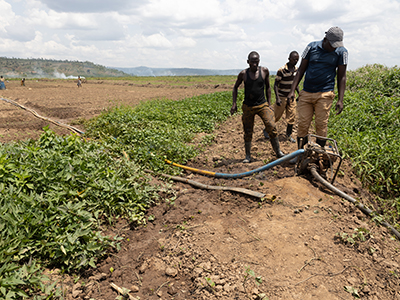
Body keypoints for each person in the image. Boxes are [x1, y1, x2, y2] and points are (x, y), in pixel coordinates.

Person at [287, 26, 348, 161]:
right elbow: (301, 70)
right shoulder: (311, 47)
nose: (334, 48)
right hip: (307, 93)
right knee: (303, 124)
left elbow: (342, 76)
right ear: (325, 39)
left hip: (325, 94)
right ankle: (300, 155)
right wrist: (292, 90)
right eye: (333, 45)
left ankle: (319, 155)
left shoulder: (341, 52)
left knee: (321, 125)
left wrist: (340, 99)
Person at [231, 51, 285, 163]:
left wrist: (269, 104)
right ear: (248, 62)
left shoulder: (264, 71)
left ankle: (278, 152)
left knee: (271, 125)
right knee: (247, 130)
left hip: (262, 104)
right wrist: (234, 104)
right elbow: (235, 87)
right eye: (252, 62)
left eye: (256, 61)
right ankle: (248, 156)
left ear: (259, 61)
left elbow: (268, 88)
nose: (254, 64)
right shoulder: (243, 74)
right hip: (248, 106)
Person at [264, 51, 300, 143]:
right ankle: (266, 130)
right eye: (294, 59)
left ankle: (288, 135)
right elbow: (276, 85)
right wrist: (277, 98)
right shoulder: (282, 70)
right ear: (289, 59)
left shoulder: (296, 70)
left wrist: (299, 94)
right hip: (282, 97)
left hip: (291, 97)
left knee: (292, 116)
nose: (296, 61)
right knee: (276, 116)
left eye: (297, 59)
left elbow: (295, 84)